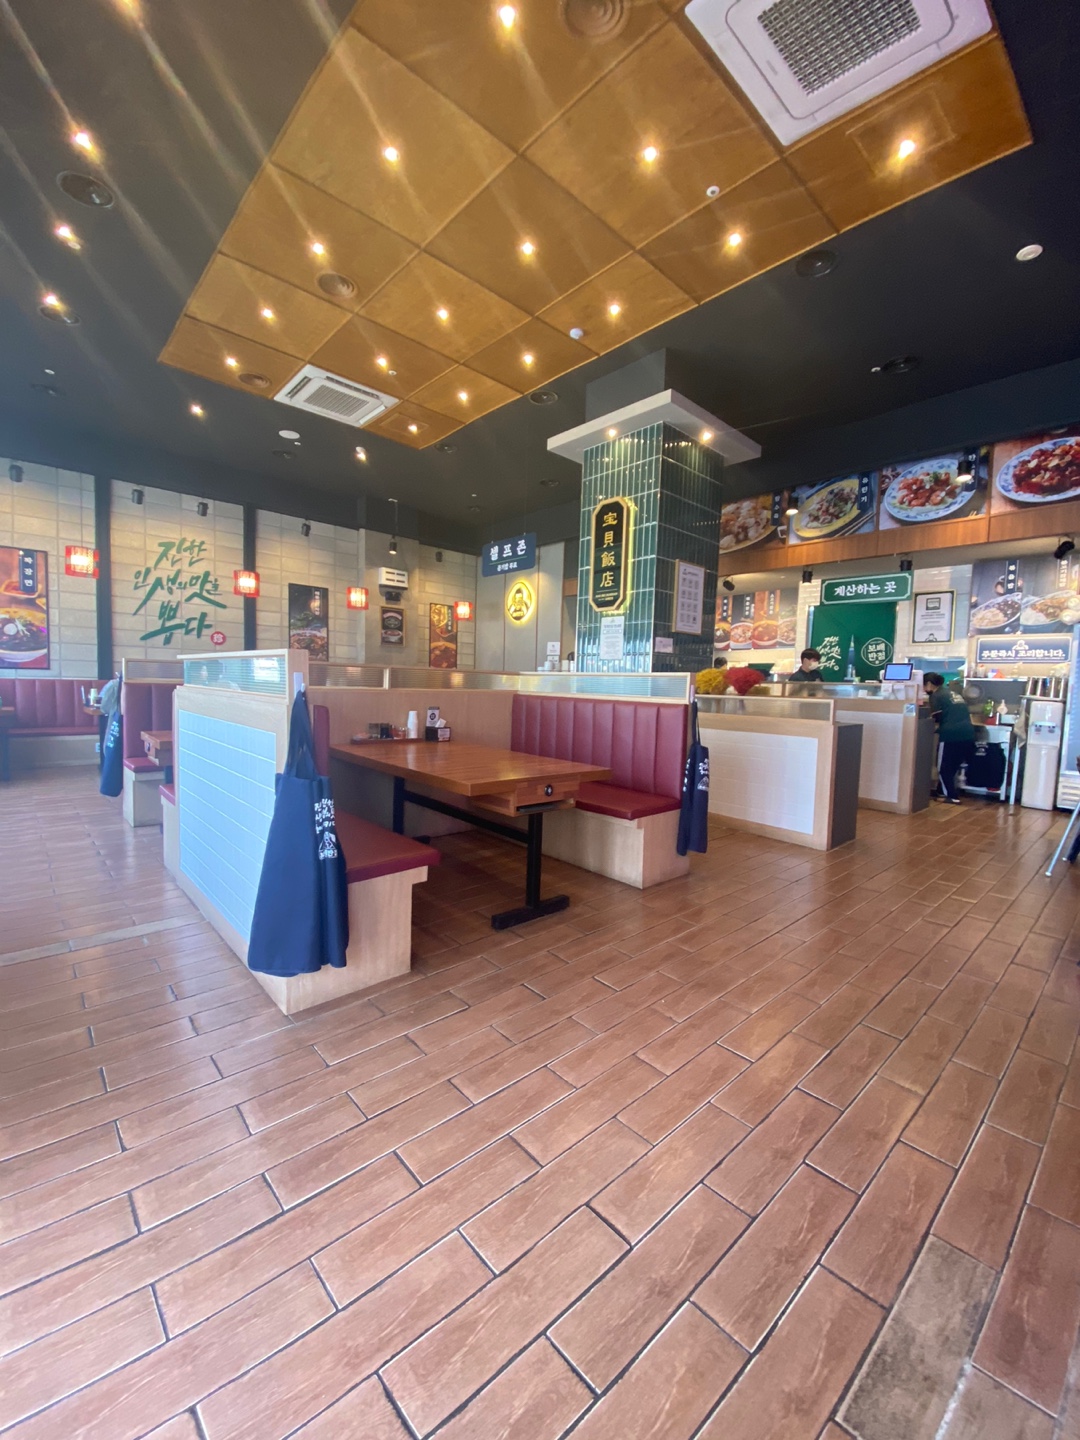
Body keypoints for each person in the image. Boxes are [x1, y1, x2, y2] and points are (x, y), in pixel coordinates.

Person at [924, 672, 976, 804]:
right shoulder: (952, 693)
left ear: (929, 684)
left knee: (943, 767)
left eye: (923, 686)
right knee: (952, 767)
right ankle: (941, 791)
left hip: (951, 735)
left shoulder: (936, 695)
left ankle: (951, 796)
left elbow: (937, 718)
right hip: (968, 733)